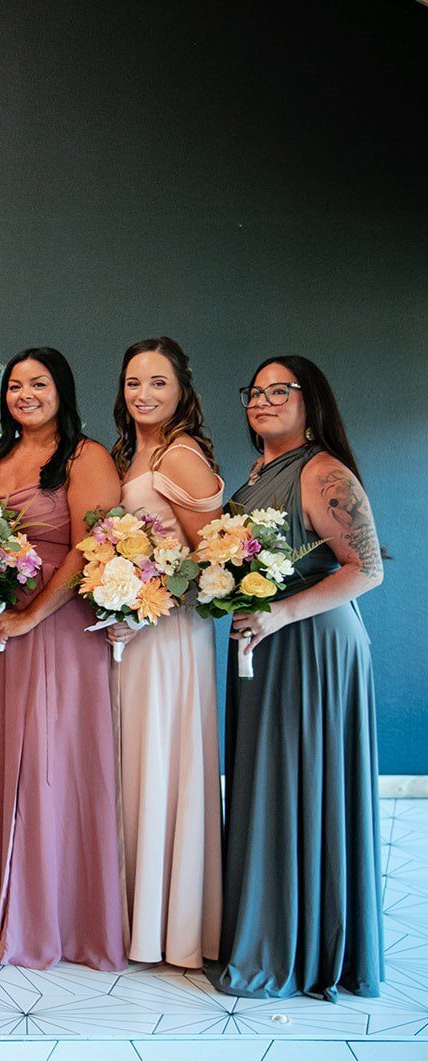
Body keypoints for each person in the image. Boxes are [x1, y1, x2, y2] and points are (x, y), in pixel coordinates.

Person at [208, 356, 384, 1001]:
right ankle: (268, 930)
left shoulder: (323, 471)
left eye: (280, 391)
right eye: (255, 391)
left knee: (299, 786)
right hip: (265, 640)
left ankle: (303, 949)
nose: (263, 400)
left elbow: (365, 570)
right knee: (268, 783)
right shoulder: (257, 471)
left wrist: (278, 613)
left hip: (312, 643)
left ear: (312, 401)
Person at [0, 347, 126, 972]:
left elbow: (91, 548)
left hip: (56, 627)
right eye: (16, 384)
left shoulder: (86, 456)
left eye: (39, 383)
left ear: (62, 390)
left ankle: (55, 919)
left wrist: (29, 616)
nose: (25, 394)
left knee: (52, 763)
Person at [105, 338, 224, 969]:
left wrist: (146, 600)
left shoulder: (182, 455)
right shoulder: (134, 450)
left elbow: (215, 559)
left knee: (162, 762)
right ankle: (131, 916)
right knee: (134, 763)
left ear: (182, 389)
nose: (144, 394)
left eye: (157, 382)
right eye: (133, 383)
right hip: (134, 630)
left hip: (169, 636)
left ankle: (169, 926)